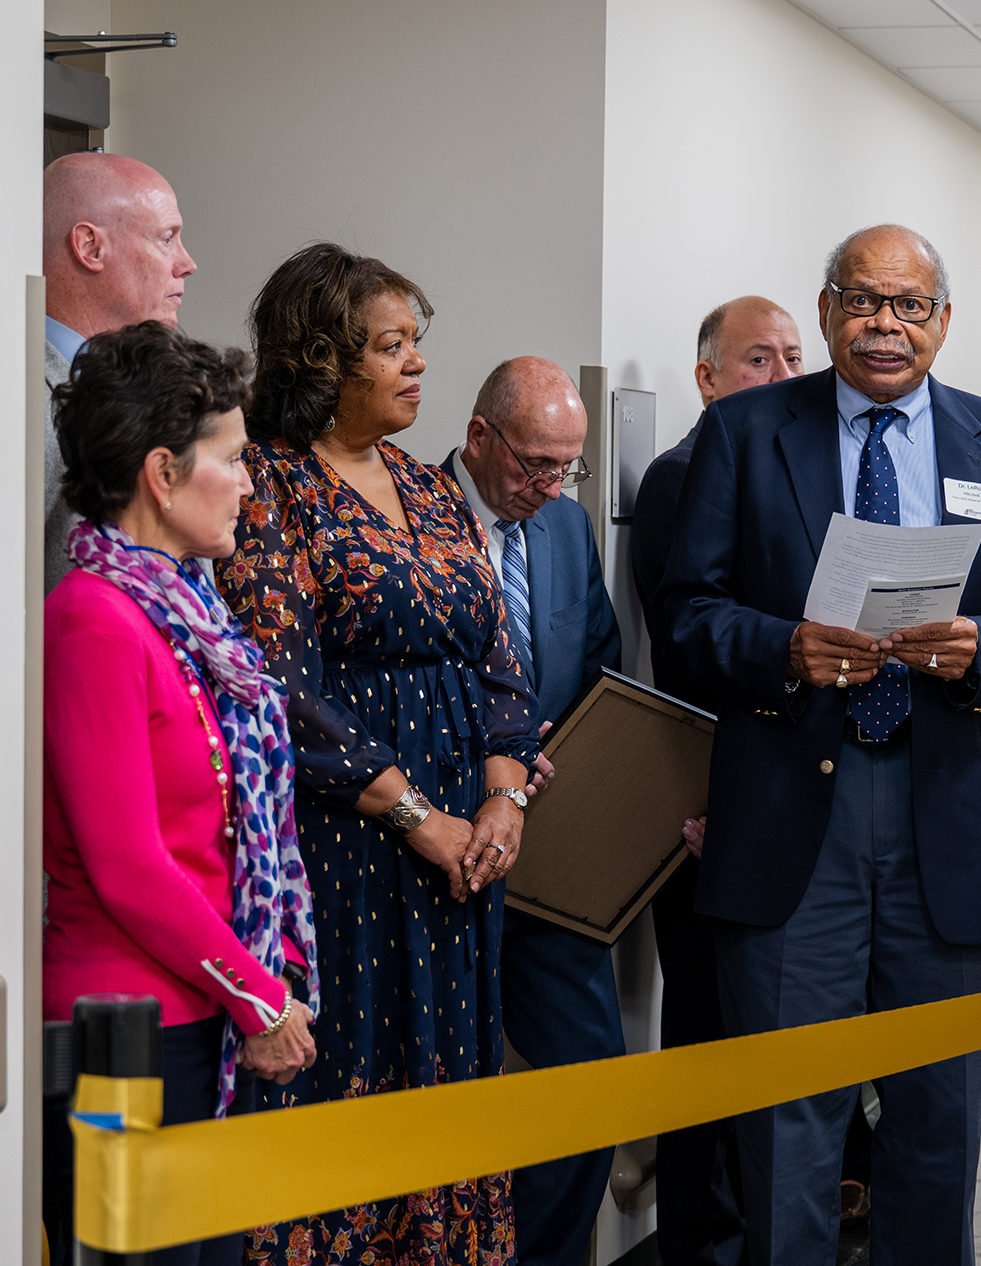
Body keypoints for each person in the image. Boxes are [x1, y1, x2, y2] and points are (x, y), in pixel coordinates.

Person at [655, 225, 981, 1266]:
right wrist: (783, 649)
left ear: (942, 321)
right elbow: (687, 617)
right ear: (831, 307)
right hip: (798, 810)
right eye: (864, 299)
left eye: (910, 304)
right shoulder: (745, 435)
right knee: (788, 1119)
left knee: (939, 1116)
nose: (886, 323)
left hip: (947, 812)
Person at [217, 243, 540, 1265]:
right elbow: (284, 693)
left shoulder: (430, 485)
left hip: (465, 856)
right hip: (349, 853)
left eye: (417, 343)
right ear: (323, 358)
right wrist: (420, 817)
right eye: (390, 346)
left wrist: (503, 798)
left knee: (453, 1082)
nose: (416, 365)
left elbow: (500, 658)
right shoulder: (267, 483)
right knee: (356, 1073)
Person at [43, 323, 317, 1266]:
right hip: (128, 1033)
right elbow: (128, 867)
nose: (250, 481)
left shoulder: (185, 612)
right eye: (233, 459)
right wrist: (260, 996)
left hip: (199, 1013)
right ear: (163, 473)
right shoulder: (95, 622)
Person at [631, 294, 804, 1266]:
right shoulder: (682, 481)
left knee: (768, 1050)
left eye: (792, 359)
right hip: (709, 803)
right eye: (757, 361)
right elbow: (695, 655)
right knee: (706, 1035)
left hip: (787, 803)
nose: (782, 377)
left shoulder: (798, 480)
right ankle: (700, 1242)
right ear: (707, 380)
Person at [445, 356, 622, 1266]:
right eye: (532, 465)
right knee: (450, 1100)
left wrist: (563, 759)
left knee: (590, 1084)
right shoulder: (412, 521)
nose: (549, 486)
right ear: (479, 438)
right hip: (441, 849)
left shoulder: (561, 528)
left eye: (567, 467)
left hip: (549, 863)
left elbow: (597, 662)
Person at [42, 152, 198, 594]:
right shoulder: (18, 396)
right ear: (90, 247)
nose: (186, 263)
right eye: (167, 238)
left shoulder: (157, 383)